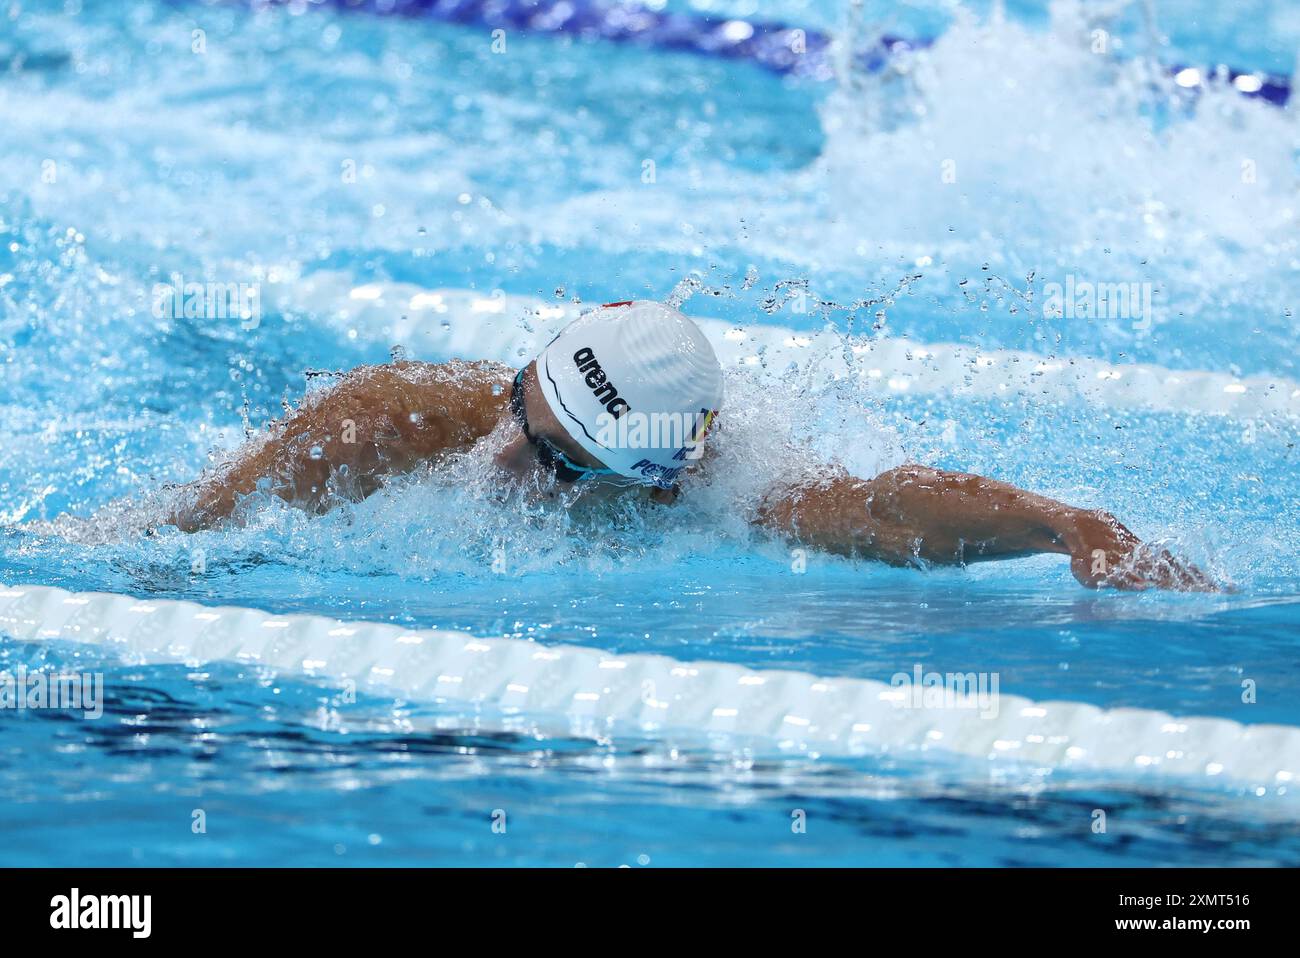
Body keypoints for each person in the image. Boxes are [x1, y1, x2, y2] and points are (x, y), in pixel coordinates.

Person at [166, 300, 1217, 591]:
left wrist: (1061, 524)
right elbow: (177, 537)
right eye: (516, 411)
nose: (503, 461)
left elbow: (879, 509)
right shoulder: (382, 424)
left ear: (662, 486)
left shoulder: (723, 489)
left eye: (559, 462)